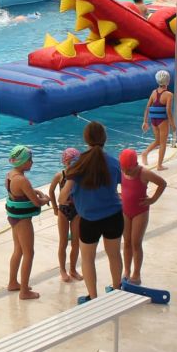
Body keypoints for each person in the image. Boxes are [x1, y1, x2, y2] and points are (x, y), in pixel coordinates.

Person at [57, 121, 124, 300]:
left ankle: (93, 297)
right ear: (105, 139)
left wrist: (74, 198)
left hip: (89, 219)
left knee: (88, 259)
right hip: (114, 216)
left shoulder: (77, 164)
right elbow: (123, 185)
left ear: (85, 139)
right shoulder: (114, 162)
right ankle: (118, 289)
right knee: (114, 255)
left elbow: (62, 196)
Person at [3, 146, 48, 300]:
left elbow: (20, 193)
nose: (32, 163)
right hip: (23, 221)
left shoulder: (10, 175)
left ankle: (13, 282)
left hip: (13, 219)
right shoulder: (22, 180)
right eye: (30, 160)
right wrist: (46, 199)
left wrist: (33, 191)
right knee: (29, 253)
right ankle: (24, 291)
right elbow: (36, 202)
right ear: (22, 162)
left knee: (18, 250)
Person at [118, 149, 166, 286]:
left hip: (140, 212)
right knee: (126, 242)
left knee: (136, 243)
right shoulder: (122, 171)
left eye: (129, 170)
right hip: (125, 211)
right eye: (124, 169)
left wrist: (153, 199)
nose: (126, 172)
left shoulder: (144, 173)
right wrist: (118, 194)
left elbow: (162, 183)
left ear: (136, 164)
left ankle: (136, 273)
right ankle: (126, 271)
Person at [48, 147, 82, 284]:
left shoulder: (80, 177)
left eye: (73, 163)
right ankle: (62, 269)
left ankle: (73, 269)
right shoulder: (60, 176)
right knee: (63, 242)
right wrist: (55, 208)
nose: (70, 166)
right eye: (68, 163)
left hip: (77, 211)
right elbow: (51, 191)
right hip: (63, 210)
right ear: (64, 162)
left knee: (75, 242)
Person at [141, 69, 174, 171]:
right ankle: (159, 165)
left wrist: (145, 121)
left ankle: (145, 153)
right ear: (168, 81)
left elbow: (147, 107)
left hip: (154, 120)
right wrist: (173, 124)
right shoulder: (169, 94)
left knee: (158, 141)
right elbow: (168, 110)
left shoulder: (153, 92)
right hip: (162, 121)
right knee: (163, 143)